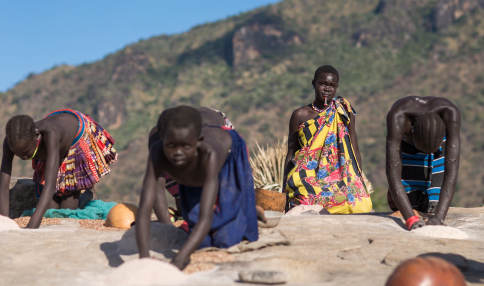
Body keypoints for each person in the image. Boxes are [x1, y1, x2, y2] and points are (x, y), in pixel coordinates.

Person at [136, 105, 259, 270]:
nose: (178, 152)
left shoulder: (210, 153)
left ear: (197, 141)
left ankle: (247, 211)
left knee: (226, 239)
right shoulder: (158, 149)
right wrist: (144, 259)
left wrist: (178, 261)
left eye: (185, 146)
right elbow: (144, 209)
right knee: (202, 242)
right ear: (162, 138)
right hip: (193, 167)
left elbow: (205, 217)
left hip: (228, 152)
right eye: (171, 145)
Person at [0, 109, 118, 228]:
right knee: (51, 211)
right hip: (53, 149)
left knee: (67, 210)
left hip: (75, 138)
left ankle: (86, 195)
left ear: (36, 137)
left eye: (26, 151)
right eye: (17, 153)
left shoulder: (50, 134)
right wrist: (4, 224)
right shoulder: (11, 142)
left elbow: (50, 186)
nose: (23, 157)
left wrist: (31, 228)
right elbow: (3, 185)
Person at [283, 65, 372, 214]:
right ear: (314, 84)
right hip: (307, 175)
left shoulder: (344, 112)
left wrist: (357, 179)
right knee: (306, 199)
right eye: (323, 84)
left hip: (338, 176)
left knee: (361, 204)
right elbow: (291, 153)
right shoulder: (299, 115)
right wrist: (284, 190)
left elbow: (354, 148)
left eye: (332, 85)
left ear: (337, 87)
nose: (327, 89)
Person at [147, 107, 235, 225]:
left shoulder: (209, 137)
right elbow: (156, 186)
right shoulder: (156, 140)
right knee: (185, 209)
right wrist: (167, 228)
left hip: (216, 129)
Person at [386, 96, 461, 230]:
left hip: (435, 138)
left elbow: (451, 171)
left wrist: (439, 218)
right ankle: (411, 210)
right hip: (406, 143)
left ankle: (431, 210)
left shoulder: (450, 113)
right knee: (408, 183)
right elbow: (393, 174)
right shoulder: (398, 118)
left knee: (436, 184)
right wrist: (410, 219)